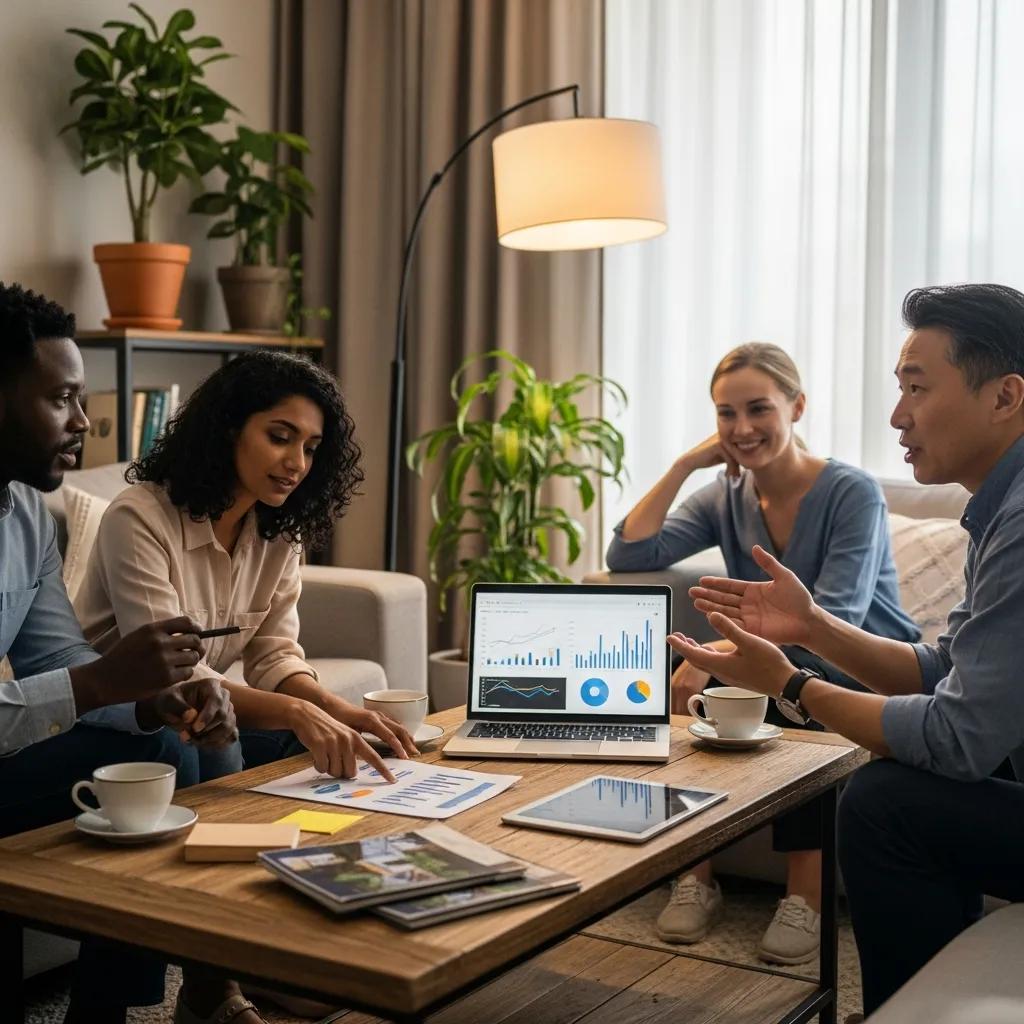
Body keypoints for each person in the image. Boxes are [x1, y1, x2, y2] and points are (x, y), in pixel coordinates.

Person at [672, 283, 1024, 1017]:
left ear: (1005, 396)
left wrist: (792, 682)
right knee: (900, 790)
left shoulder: (1013, 520)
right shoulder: (996, 509)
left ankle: (907, 1006)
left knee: (884, 801)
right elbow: (943, 671)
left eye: (917, 389)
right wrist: (810, 629)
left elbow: (956, 736)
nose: (897, 415)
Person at [74, 350, 420, 1023]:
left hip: (202, 717)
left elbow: (271, 652)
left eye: (312, 447)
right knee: (218, 752)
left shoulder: (277, 529)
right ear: (230, 427)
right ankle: (211, 986)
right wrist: (295, 710)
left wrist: (334, 707)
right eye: (279, 435)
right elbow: (173, 672)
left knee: (312, 764)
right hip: (115, 716)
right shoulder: (139, 516)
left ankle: (268, 960)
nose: (295, 462)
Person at [606, 342, 918, 965]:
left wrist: (716, 653)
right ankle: (694, 874)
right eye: (726, 414)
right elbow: (629, 555)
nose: (742, 429)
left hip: (862, 661)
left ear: (796, 406)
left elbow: (839, 618)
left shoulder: (850, 491)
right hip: (776, 654)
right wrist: (683, 465)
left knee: (777, 683)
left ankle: (806, 894)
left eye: (758, 409)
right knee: (672, 675)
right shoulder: (726, 496)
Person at [0, 282, 238, 1024]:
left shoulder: (27, 519)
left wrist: (144, 698)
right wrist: (105, 679)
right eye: (62, 398)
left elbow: (54, 663)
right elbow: (79, 679)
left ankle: (103, 1012)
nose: (84, 420)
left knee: (164, 749)